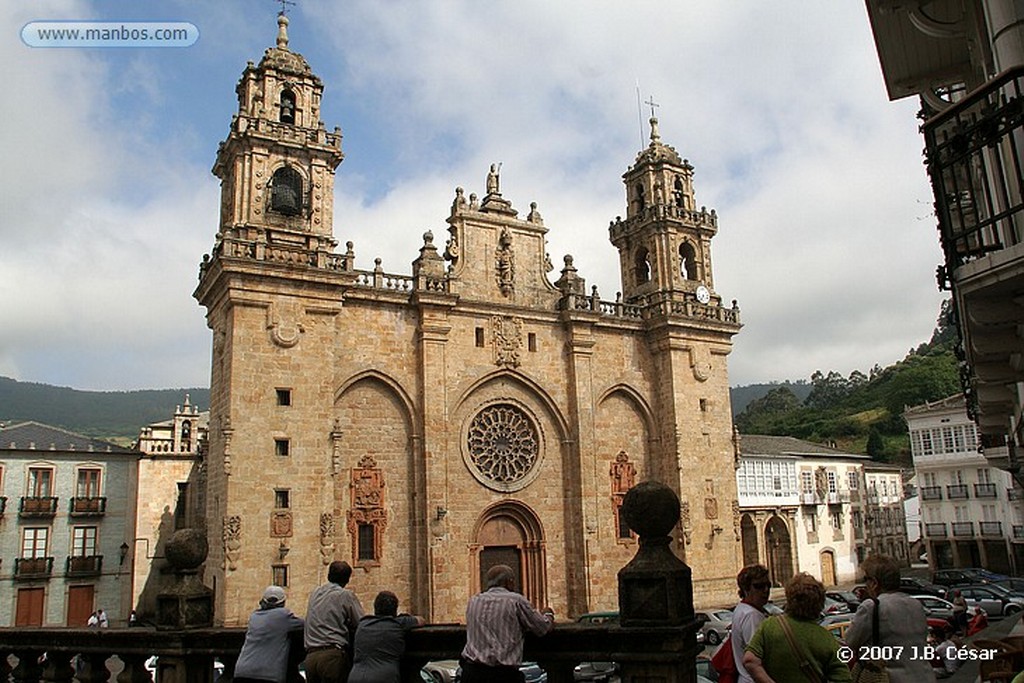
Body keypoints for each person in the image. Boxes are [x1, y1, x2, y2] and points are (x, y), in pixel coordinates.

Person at [743, 572, 852, 683]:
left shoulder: (770, 626)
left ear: (790, 599)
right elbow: (843, 679)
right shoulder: (826, 638)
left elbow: (749, 660)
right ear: (820, 603)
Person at [845, 555, 935, 683]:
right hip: (924, 675)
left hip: (891, 678)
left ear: (875, 583)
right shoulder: (915, 604)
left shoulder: (871, 607)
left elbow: (850, 642)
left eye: (866, 579)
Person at [460, 564, 554, 683]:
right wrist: (548, 614)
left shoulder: (473, 601)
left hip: (471, 673)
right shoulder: (516, 600)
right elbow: (543, 628)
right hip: (503, 675)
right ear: (509, 582)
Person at [305, 560, 365, 683]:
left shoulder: (315, 593)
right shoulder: (345, 595)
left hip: (310, 658)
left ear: (329, 576)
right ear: (347, 579)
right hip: (331, 657)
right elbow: (361, 623)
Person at [347, 591, 424, 683]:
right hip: (384, 677)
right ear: (394, 610)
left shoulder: (363, 623)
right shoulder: (398, 623)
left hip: (356, 676)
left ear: (375, 608)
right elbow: (421, 620)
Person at [235, 586, 306, 683]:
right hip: (268, 675)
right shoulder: (283, 616)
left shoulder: (254, 616)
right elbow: (307, 624)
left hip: (242, 671)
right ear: (283, 602)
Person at [731, 564, 772, 683]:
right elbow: (755, 658)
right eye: (758, 586)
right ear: (746, 589)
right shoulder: (751, 615)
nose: (765, 590)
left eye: (768, 585)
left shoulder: (743, 609)